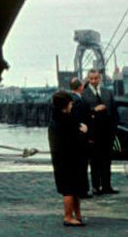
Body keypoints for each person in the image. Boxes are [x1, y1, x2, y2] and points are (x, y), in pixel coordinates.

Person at [48, 90, 89, 227]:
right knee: (69, 189)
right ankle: (68, 217)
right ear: (65, 105)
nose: (72, 105)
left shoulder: (57, 119)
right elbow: (73, 141)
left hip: (63, 159)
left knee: (73, 188)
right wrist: (84, 133)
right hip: (68, 160)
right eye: (70, 103)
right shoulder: (65, 122)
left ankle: (77, 215)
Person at [81, 69, 119, 195]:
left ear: (100, 78)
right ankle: (96, 186)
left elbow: (114, 112)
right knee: (95, 161)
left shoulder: (107, 93)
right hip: (93, 134)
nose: (93, 81)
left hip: (107, 133)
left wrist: (113, 130)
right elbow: (83, 115)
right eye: (91, 79)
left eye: (96, 78)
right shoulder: (84, 94)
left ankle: (107, 186)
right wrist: (94, 110)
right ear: (88, 79)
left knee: (107, 161)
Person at [68, 77, 92, 198]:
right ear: (80, 87)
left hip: (75, 138)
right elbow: (76, 118)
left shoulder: (71, 99)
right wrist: (82, 127)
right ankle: (82, 190)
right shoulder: (78, 101)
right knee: (82, 164)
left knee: (78, 164)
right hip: (80, 137)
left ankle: (79, 189)